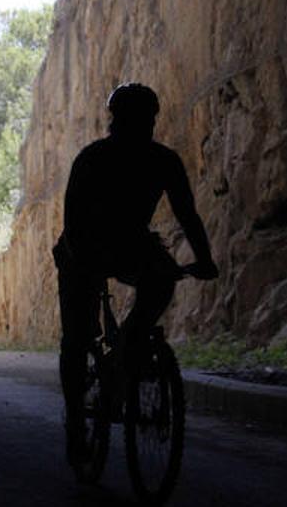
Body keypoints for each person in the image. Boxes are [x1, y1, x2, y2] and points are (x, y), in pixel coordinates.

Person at [53, 82, 218, 461]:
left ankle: (129, 344)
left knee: (158, 283)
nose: (143, 125)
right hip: (84, 248)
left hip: (128, 243)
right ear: (121, 119)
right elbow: (74, 223)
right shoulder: (96, 158)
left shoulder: (157, 160)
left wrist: (205, 257)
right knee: (77, 337)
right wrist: (86, 264)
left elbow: (187, 214)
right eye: (137, 118)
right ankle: (77, 419)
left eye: (146, 118)